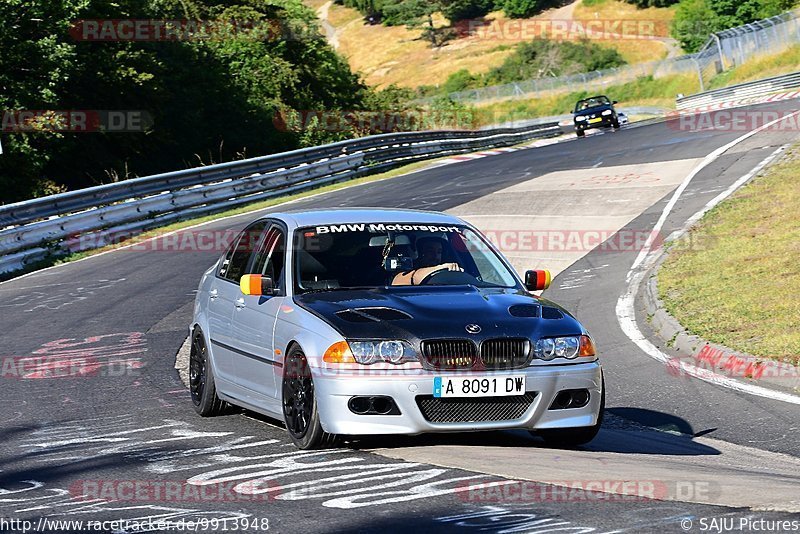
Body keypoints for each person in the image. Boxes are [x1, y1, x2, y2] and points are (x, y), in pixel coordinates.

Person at [392, 236, 462, 286]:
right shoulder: (406, 273)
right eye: (430, 251)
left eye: (439, 252)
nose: (436, 256)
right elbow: (412, 277)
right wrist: (440, 268)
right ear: (420, 253)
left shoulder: (448, 274)